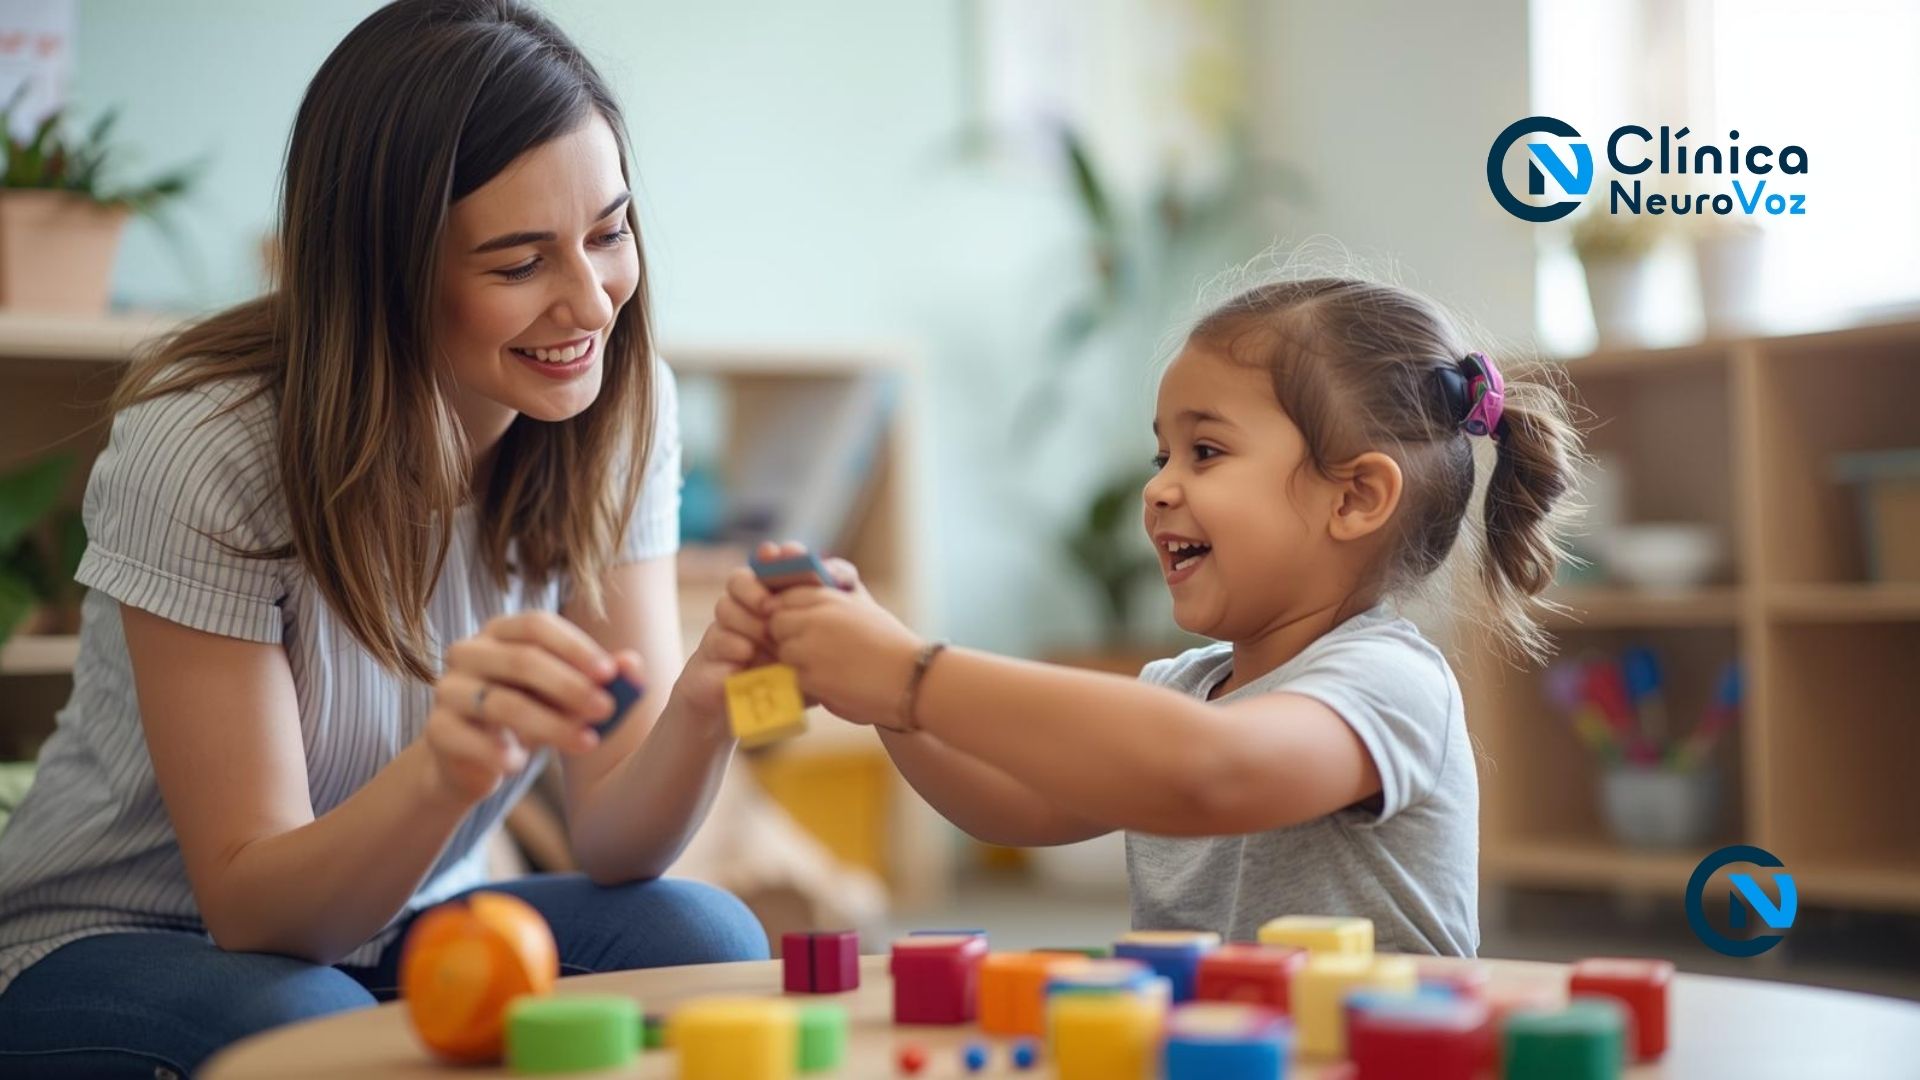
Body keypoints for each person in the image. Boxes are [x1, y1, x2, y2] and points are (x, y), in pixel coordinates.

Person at [0, 3, 770, 1075]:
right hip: (121, 935)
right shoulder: (207, 449)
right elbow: (255, 907)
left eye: (609, 231)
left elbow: (611, 835)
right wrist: (447, 770)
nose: (591, 301)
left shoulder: (619, 412)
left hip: (399, 920)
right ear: (385, 272)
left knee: (706, 943)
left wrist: (706, 700)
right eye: (518, 264)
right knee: (320, 1027)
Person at [723, 276, 1582, 958]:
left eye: (1205, 452)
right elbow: (1017, 803)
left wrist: (912, 674)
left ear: (1355, 497)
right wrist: (887, 701)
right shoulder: (1188, 686)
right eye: (1161, 453)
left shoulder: (1390, 683)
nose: (1158, 485)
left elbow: (1207, 773)